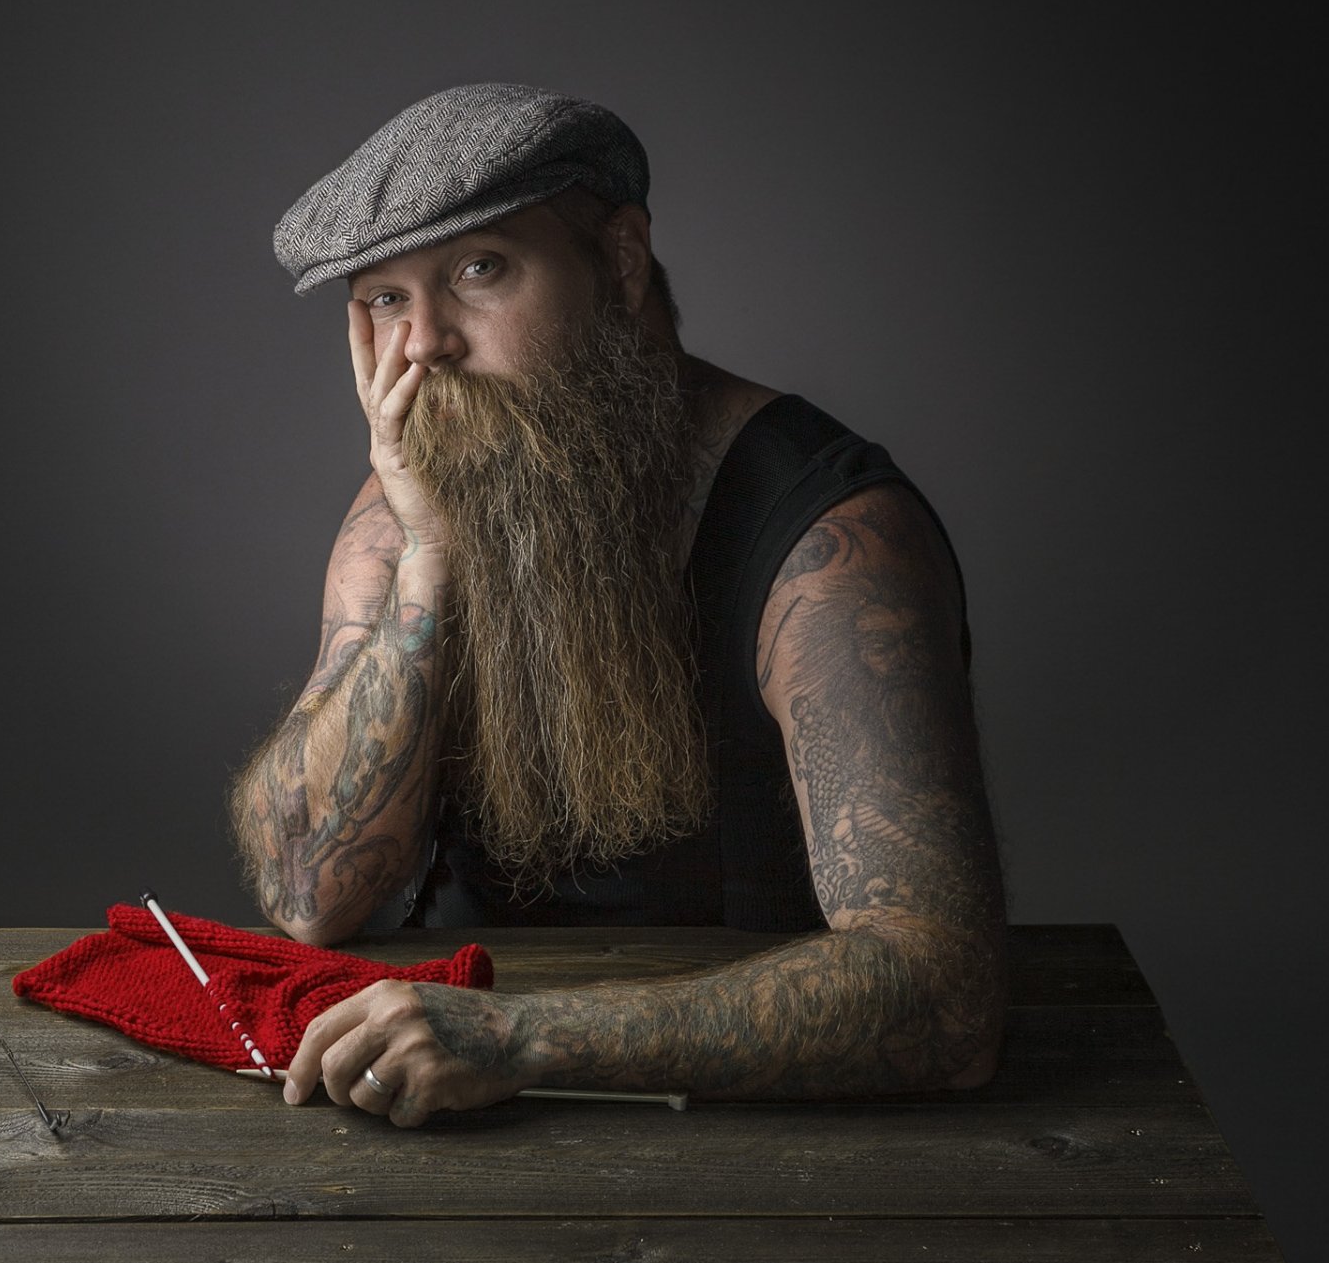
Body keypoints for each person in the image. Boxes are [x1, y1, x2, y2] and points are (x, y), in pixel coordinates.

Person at [229, 83, 1007, 1128]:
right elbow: (309, 895)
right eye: (385, 299)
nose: (425, 344)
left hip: (773, 1130)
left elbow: (944, 995)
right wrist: (428, 565)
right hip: (445, 1107)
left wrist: (522, 1038)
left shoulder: (828, 541)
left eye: (479, 269)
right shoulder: (406, 511)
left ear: (623, 259)